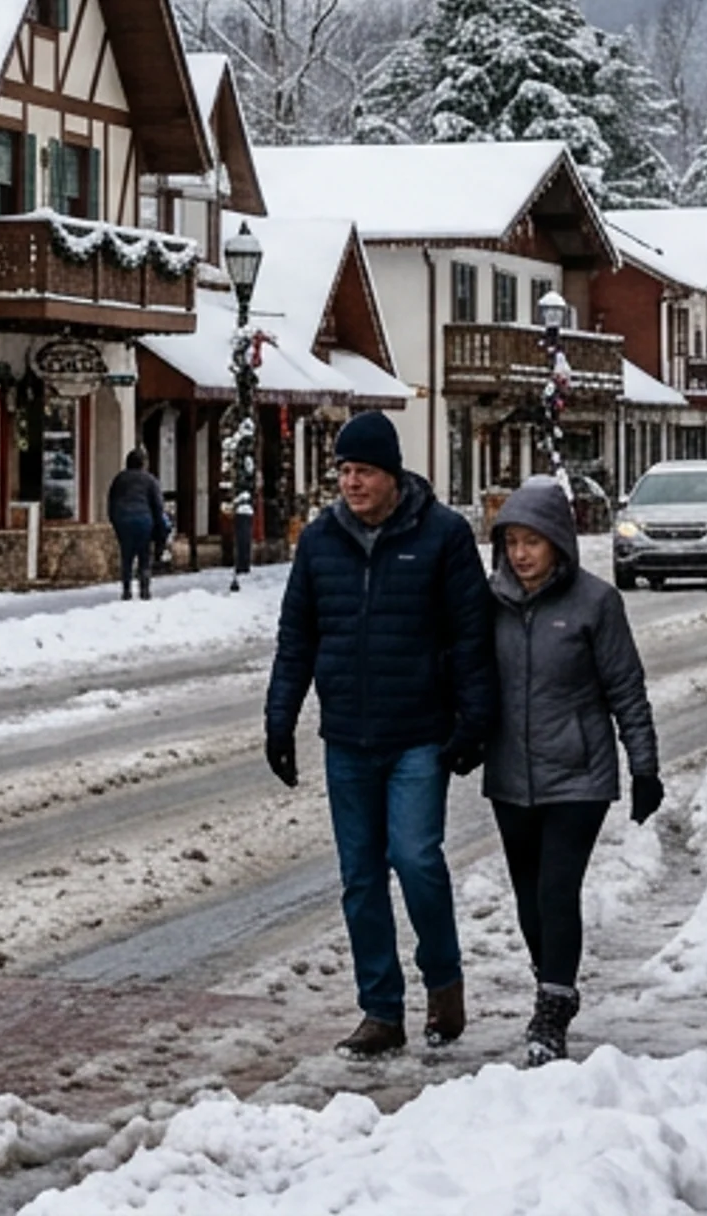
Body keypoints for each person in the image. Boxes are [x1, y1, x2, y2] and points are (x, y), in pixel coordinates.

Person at [266, 407, 496, 1055]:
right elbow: (296, 639)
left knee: (416, 859)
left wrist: (473, 721)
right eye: (343, 469)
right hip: (346, 737)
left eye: (364, 470)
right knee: (360, 877)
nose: (351, 482)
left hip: (419, 733)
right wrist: (279, 719)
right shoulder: (319, 542)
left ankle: (443, 980)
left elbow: (470, 637)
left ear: (392, 474)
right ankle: (381, 1011)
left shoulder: (443, 536)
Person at [482, 475, 662, 1067]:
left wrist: (645, 767)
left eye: (532, 541)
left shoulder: (595, 603)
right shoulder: (491, 603)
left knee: (558, 890)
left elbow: (626, 691)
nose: (521, 554)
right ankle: (552, 980)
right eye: (511, 542)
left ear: (558, 541)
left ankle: (552, 1011)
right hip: (510, 776)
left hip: (579, 776)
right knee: (529, 900)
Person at [109, 446, 168, 601]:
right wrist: (160, 527)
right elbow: (158, 505)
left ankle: (126, 589)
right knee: (144, 555)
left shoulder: (119, 479)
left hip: (123, 521)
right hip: (143, 521)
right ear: (143, 463)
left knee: (126, 555)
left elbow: (111, 502)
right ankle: (144, 588)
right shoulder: (149, 480)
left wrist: (115, 522)